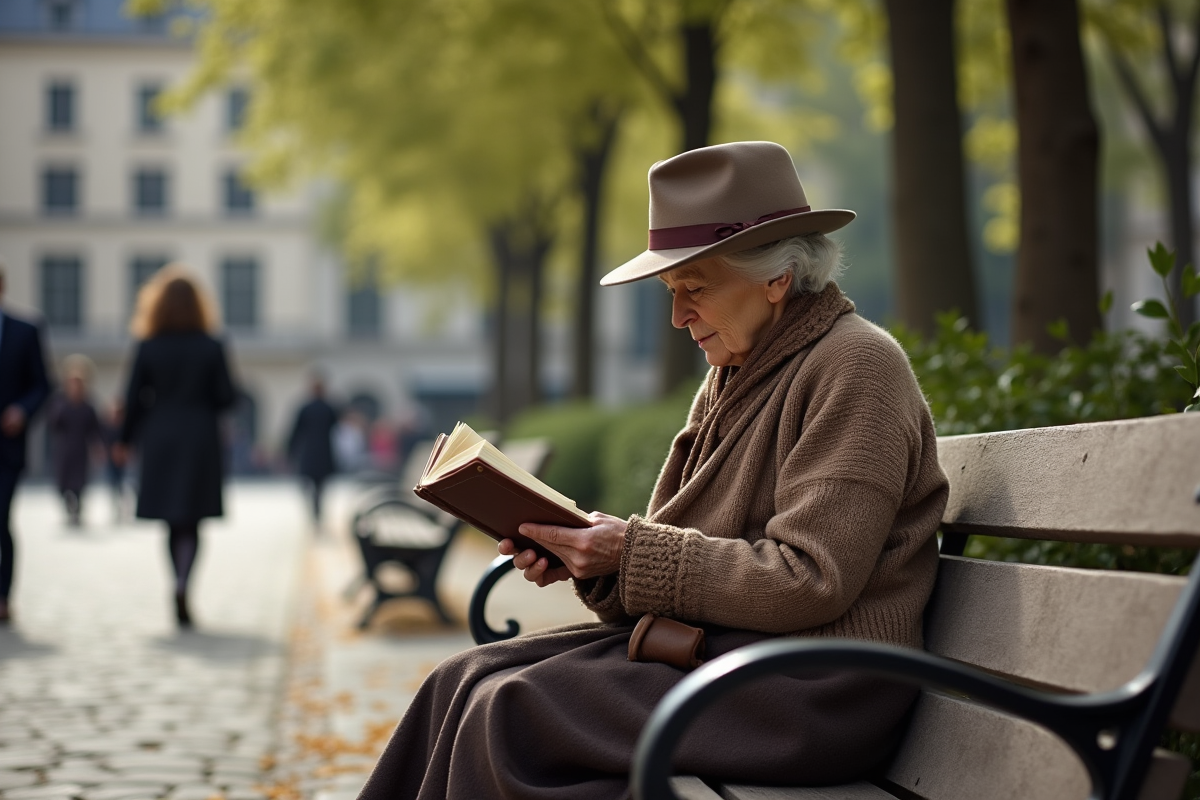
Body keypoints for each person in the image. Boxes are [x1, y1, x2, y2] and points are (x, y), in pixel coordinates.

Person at [357, 141, 950, 799]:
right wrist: (594, 561)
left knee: (508, 710)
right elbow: (678, 553)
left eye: (695, 288)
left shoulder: (858, 366)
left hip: (819, 687)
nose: (676, 316)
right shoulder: (732, 373)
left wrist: (629, 553)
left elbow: (810, 580)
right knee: (458, 681)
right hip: (728, 656)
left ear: (777, 278)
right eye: (671, 292)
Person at [112, 266, 236, 628]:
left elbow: (133, 398)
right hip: (200, 437)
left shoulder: (148, 345)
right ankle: (184, 582)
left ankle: (176, 582)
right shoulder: (212, 345)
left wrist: (123, 441)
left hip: (161, 435)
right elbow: (227, 397)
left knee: (171, 519)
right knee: (192, 519)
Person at [0, 262, 52, 624]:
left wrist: (22, 410)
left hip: (7, 445)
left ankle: (3, 596)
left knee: (0, 517)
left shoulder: (25, 330)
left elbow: (42, 384)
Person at [47, 355, 102, 527]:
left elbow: (95, 429)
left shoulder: (88, 405)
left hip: (81, 449)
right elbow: (53, 424)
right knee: (63, 483)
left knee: (79, 483)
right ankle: (68, 507)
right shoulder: (60, 402)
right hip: (64, 448)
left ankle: (77, 511)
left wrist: (98, 448)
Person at [286, 373, 339, 527]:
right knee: (320, 488)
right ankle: (317, 513)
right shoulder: (329, 408)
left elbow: (295, 432)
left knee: (308, 487)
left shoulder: (306, 408)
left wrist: (289, 452)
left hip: (308, 453)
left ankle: (314, 513)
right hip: (324, 453)